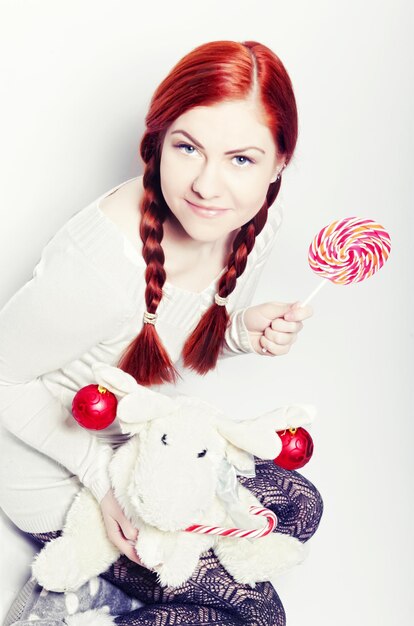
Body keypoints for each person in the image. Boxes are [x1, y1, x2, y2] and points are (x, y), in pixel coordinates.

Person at [0, 40, 323, 625]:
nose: (207, 185)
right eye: (188, 148)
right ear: (157, 142)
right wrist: (103, 486)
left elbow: (187, 336)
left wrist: (244, 331)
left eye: (241, 159)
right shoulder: (103, 265)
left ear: (280, 162)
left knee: (299, 506)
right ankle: (77, 600)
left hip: (149, 447)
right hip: (55, 467)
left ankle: (97, 594)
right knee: (252, 611)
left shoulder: (252, 222)